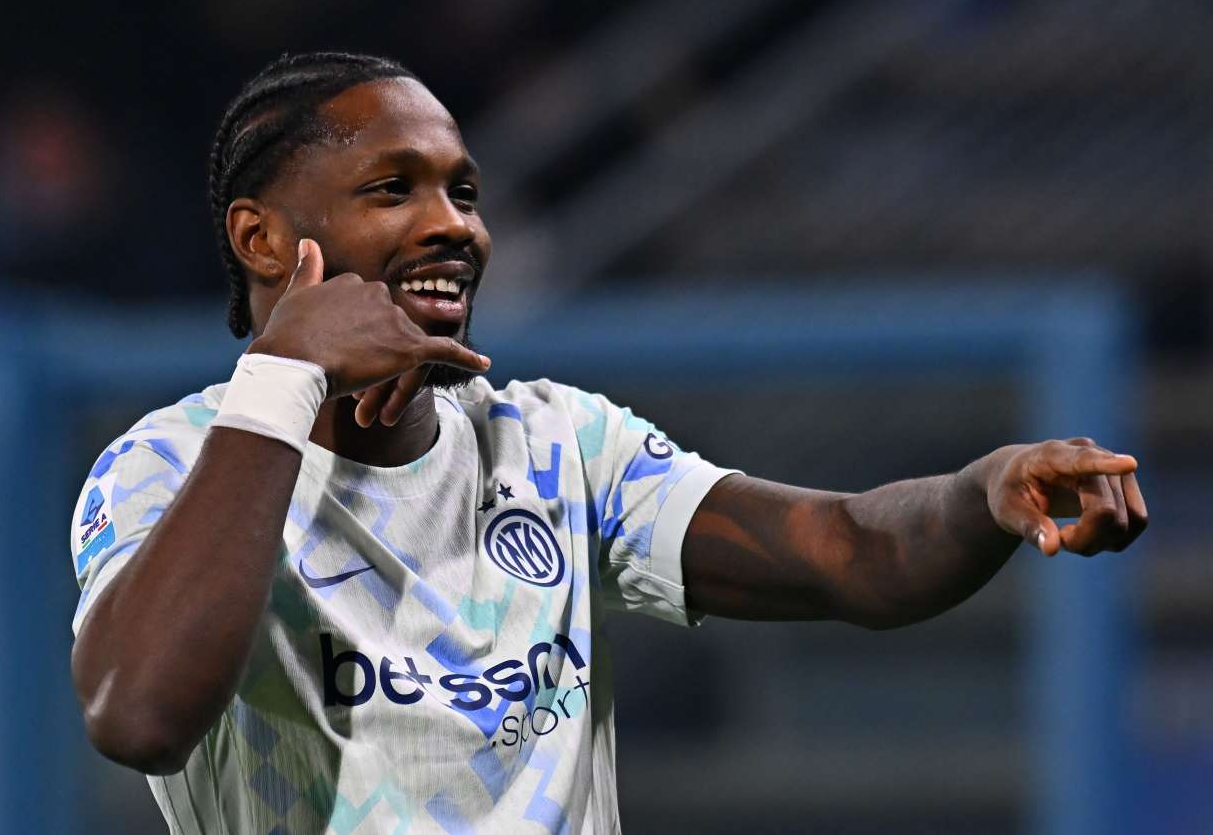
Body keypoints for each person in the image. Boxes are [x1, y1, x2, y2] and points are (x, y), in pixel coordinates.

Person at [68, 52, 1147, 834]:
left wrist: (982, 489)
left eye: (464, 191)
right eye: (393, 189)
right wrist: (283, 379)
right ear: (261, 237)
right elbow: (138, 712)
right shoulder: (169, 464)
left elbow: (852, 551)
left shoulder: (555, 444)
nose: (454, 225)